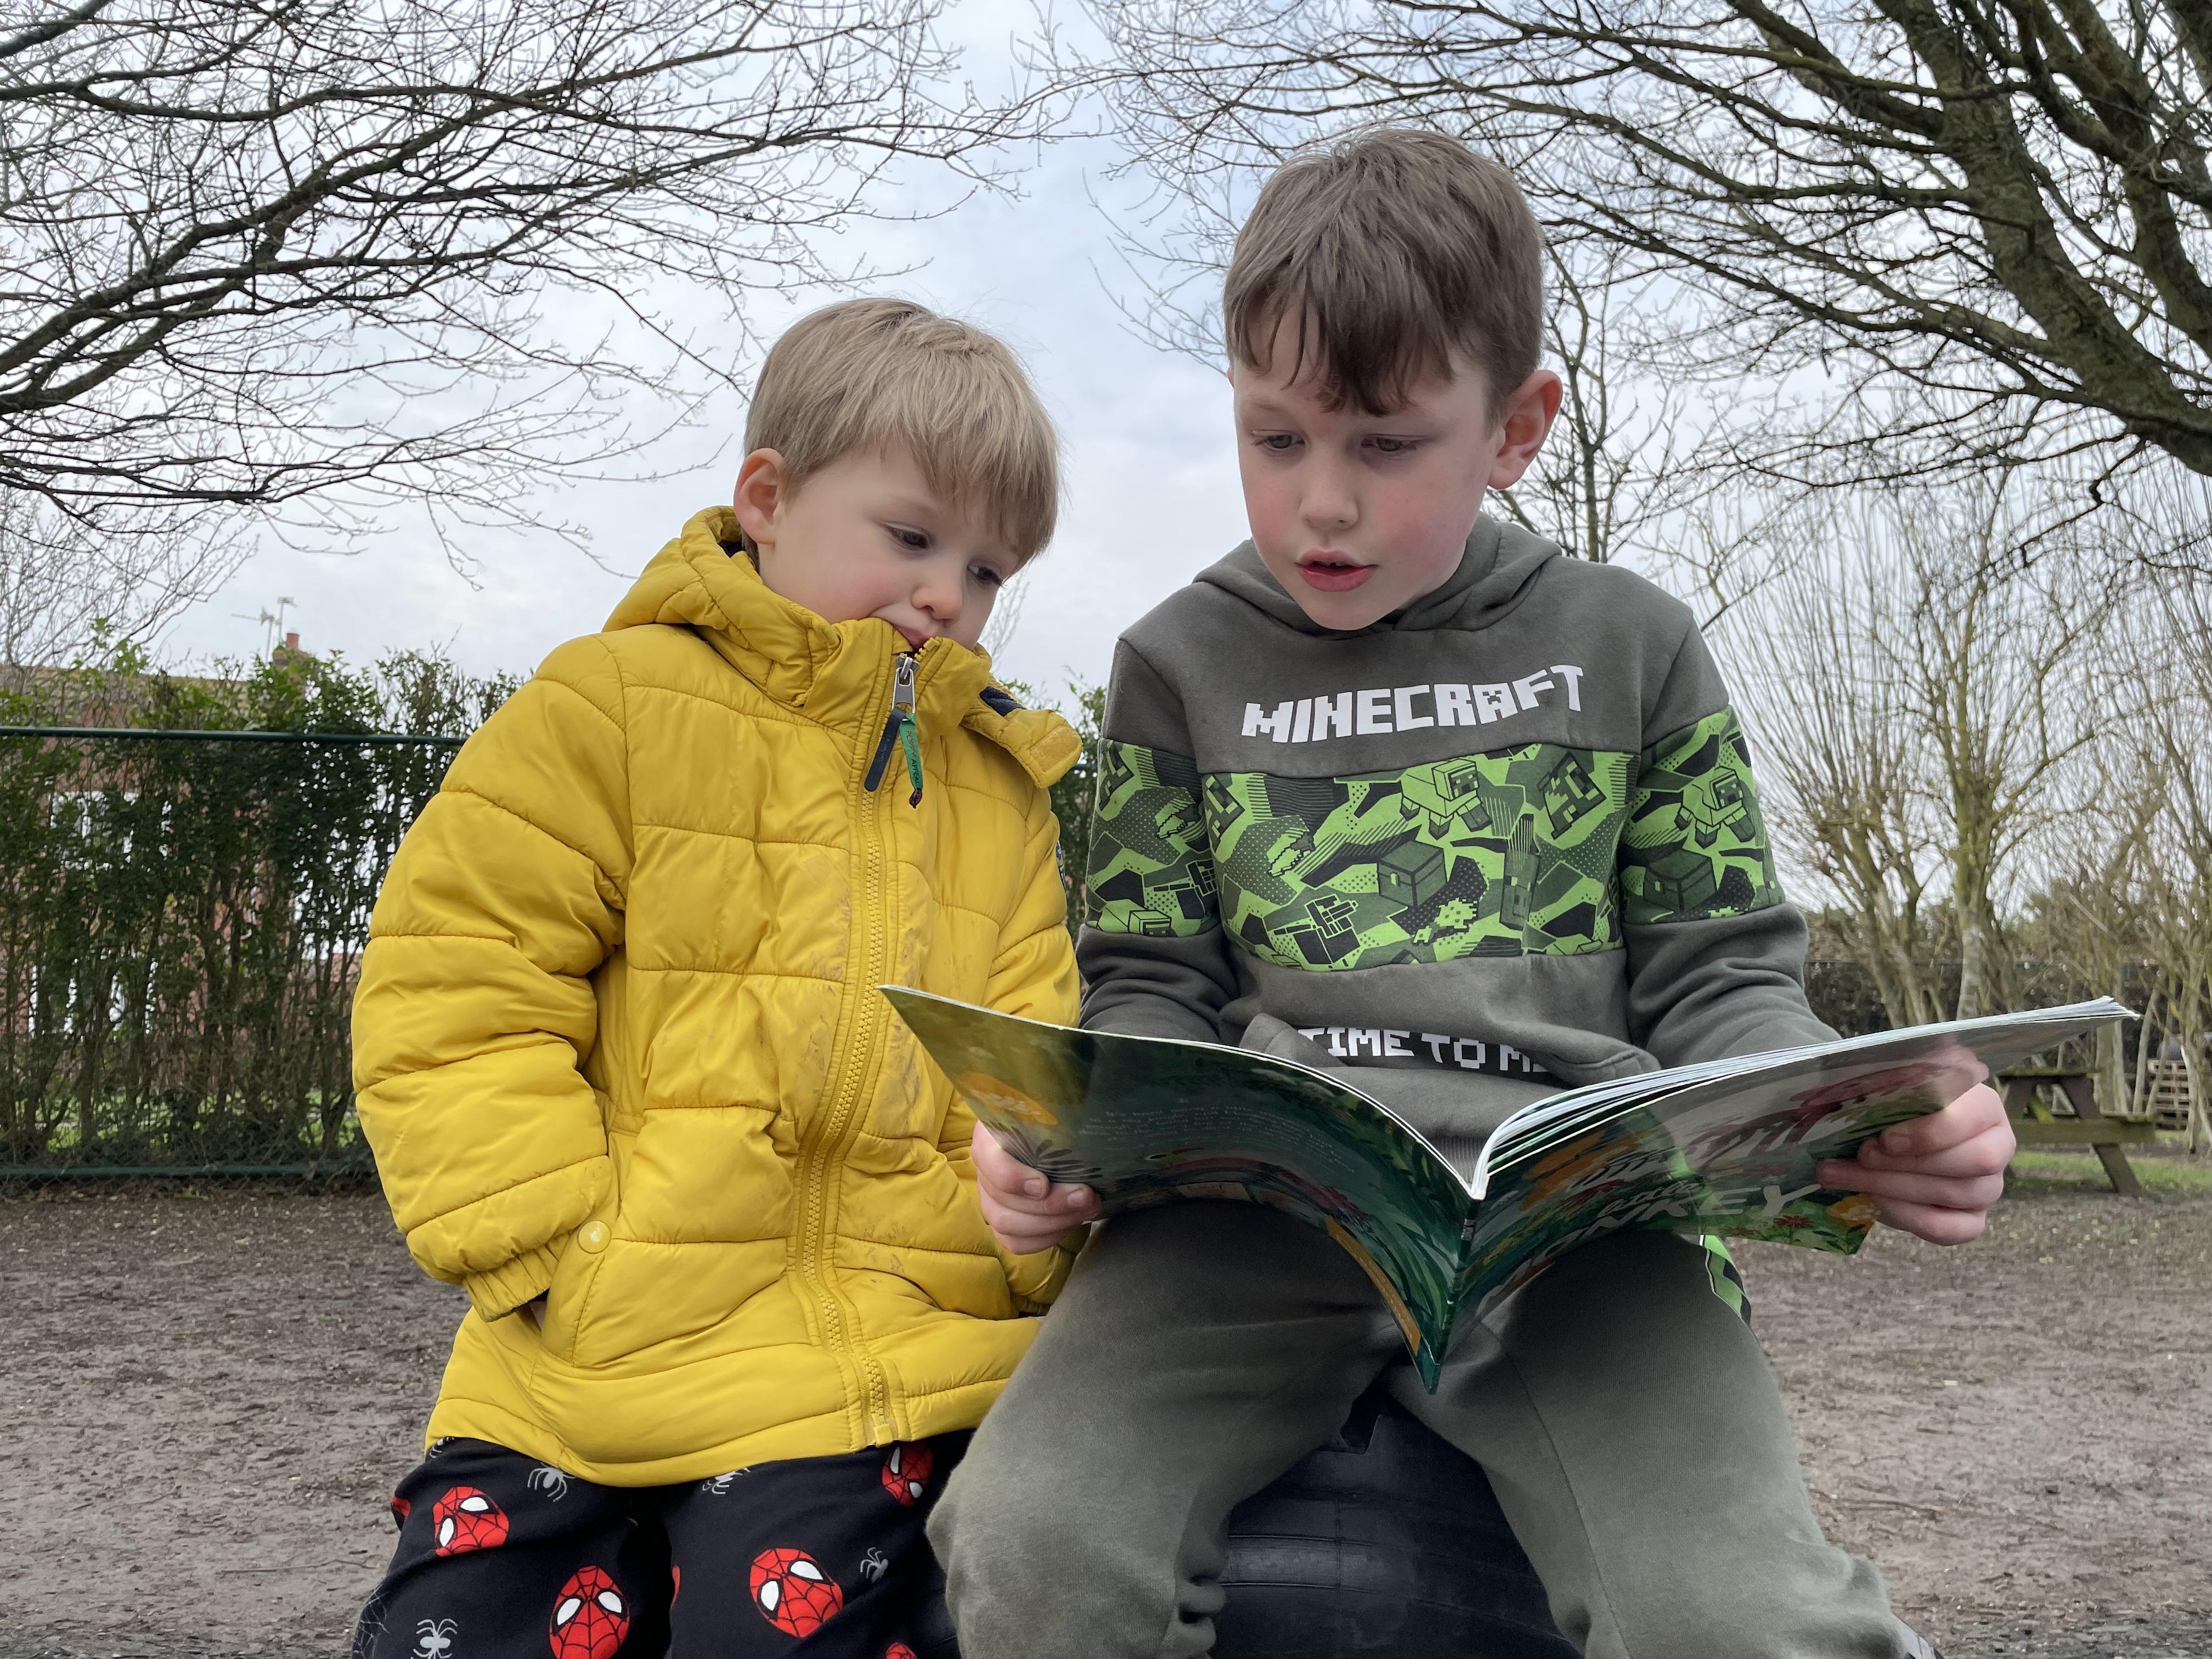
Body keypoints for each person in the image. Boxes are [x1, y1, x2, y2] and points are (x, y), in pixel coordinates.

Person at [930, 129, 2012, 1659]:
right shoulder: (1176, 662)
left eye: (1386, 447)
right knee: (1032, 1545)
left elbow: (1723, 977)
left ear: (1516, 427)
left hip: (1579, 1242)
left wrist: (1864, 1115)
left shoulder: (1634, 645)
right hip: (1253, 1223)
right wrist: (1070, 1139)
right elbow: (1151, 984)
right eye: (1274, 438)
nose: (1320, 502)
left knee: (1735, 1615)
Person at [348, 298, 1084, 1658]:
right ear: (767, 500)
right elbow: (455, 985)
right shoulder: (611, 707)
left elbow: (1027, 1062)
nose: (949, 594)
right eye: (913, 538)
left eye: (988, 569)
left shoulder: (1002, 793)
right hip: (583, 1356)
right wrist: (551, 1248)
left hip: (878, 1363)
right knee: (446, 1634)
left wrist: (1030, 1207)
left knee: (780, 1630)